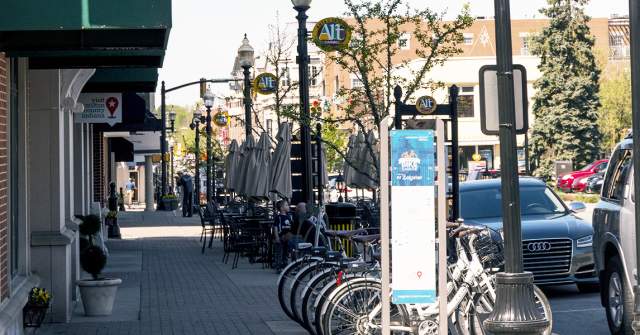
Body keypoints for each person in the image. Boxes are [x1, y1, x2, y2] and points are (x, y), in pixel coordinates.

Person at [273, 200, 293, 271]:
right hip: (281, 236)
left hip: (288, 237)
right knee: (280, 252)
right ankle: (278, 266)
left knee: (286, 252)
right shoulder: (278, 217)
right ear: (281, 208)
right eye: (286, 205)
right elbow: (275, 227)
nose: (288, 206)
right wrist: (277, 237)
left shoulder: (289, 216)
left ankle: (285, 265)